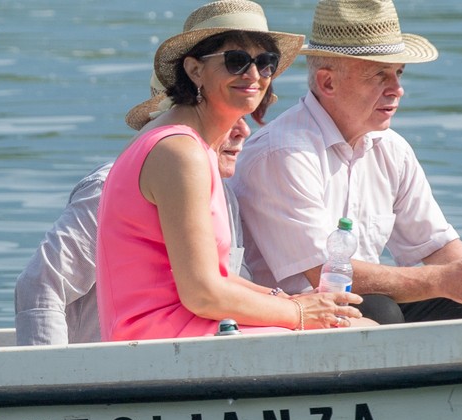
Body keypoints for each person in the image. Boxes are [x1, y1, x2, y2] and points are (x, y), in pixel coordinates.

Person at [231, 0, 462, 324]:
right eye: (380, 75)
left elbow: (438, 245)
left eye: (399, 73)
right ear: (327, 83)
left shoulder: (392, 149)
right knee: (379, 310)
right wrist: (447, 280)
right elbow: (325, 274)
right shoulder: (282, 153)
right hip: (286, 316)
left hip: (352, 308)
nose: (397, 90)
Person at [96, 0, 365, 342]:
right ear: (194, 70)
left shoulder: (188, 146)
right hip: (162, 341)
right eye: (236, 61)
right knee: (360, 331)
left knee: (351, 323)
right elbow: (203, 294)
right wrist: (298, 313)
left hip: (171, 334)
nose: (254, 75)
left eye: (266, 63)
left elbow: (216, 276)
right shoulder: (180, 152)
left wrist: (286, 300)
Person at [14, 69, 254, 346]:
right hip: (110, 377)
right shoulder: (107, 188)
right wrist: (54, 383)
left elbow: (232, 291)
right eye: (225, 117)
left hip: (193, 366)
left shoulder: (225, 196)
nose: (243, 130)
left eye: (243, 116)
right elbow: (41, 285)